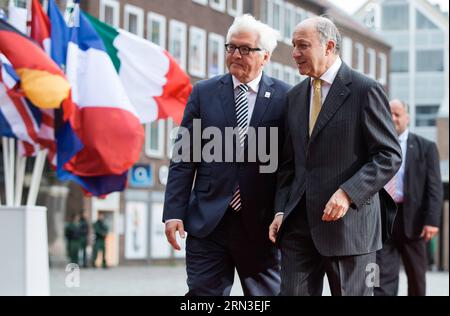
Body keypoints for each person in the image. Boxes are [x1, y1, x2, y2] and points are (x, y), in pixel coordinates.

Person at [269, 17, 402, 296]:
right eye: (293, 45)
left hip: (350, 230)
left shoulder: (365, 90)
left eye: (303, 45)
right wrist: (281, 209)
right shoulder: (294, 97)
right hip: (298, 227)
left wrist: (348, 193)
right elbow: (288, 165)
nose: (294, 53)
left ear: (329, 46)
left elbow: (388, 155)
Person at [163, 14, 291, 296]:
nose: (236, 54)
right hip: (208, 222)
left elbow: (289, 166)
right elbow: (184, 156)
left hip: (261, 226)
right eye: (231, 47)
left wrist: (283, 211)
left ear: (265, 57)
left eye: (245, 49)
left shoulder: (286, 98)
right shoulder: (203, 93)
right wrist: (173, 212)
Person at [375, 99, 443, 296]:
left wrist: (432, 221)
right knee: (381, 278)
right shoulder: (376, 144)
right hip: (383, 218)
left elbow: (435, 187)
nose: (393, 118)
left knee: (416, 278)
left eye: (397, 114)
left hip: (413, 220)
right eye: (389, 114)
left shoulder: (426, 147)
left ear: (407, 117)